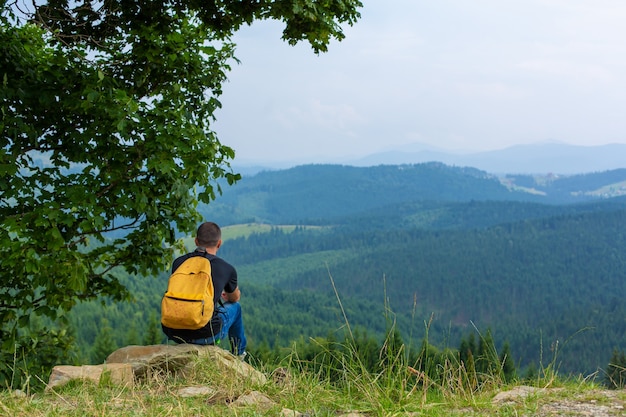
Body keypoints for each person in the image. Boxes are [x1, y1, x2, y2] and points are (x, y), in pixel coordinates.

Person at [162, 222, 247, 357]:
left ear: (196, 241)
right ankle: (239, 353)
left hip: (173, 331)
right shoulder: (226, 268)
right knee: (236, 307)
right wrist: (223, 293)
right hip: (206, 334)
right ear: (219, 243)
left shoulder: (179, 262)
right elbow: (234, 298)